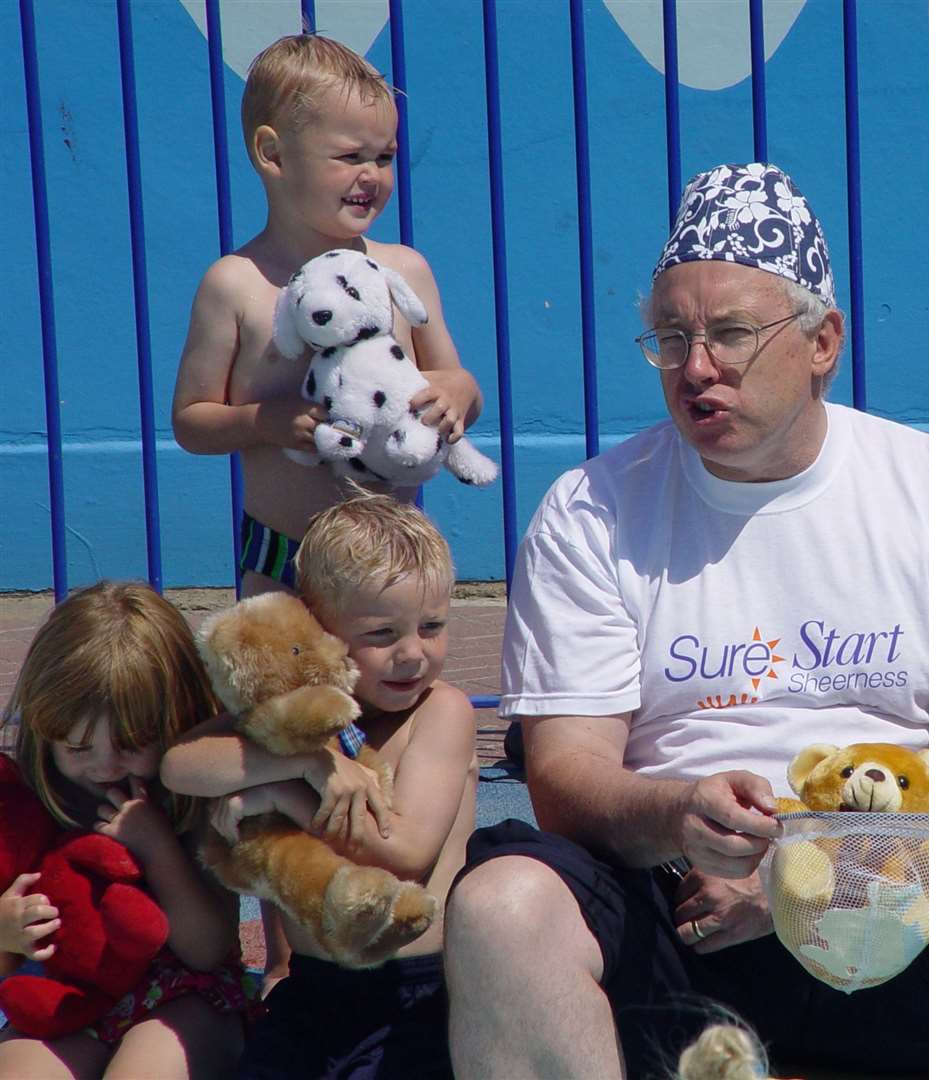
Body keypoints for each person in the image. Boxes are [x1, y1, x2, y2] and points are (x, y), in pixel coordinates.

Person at [445, 161, 929, 1080]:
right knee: (501, 905)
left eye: (730, 333)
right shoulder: (591, 510)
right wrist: (680, 814)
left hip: (890, 895)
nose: (696, 367)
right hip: (678, 909)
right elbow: (566, 779)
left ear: (822, 342)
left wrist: (809, 867)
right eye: (671, 336)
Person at [170, 31, 482, 992]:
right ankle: (294, 957)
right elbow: (191, 419)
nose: (372, 175)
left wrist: (457, 400)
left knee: (401, 727)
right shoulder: (239, 283)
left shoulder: (405, 272)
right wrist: (263, 418)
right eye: (350, 154)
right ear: (272, 154)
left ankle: (413, 922)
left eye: (384, 155)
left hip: (388, 565)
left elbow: (453, 376)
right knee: (288, 743)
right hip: (288, 568)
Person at [160, 492, 477, 1079]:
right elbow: (180, 764)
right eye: (383, 634)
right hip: (313, 991)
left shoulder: (442, 713)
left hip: (415, 996)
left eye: (432, 626)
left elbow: (407, 853)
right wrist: (304, 765)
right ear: (318, 626)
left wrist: (284, 797)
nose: (413, 654)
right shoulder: (302, 717)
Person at [0, 582, 252, 1079]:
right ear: (44, 732)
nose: (105, 766)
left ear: (178, 719)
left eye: (131, 744)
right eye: (77, 748)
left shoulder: (195, 801)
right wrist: (5, 931)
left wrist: (157, 847)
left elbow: (206, 951)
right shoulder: (25, 804)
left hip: (184, 999)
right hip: (66, 1000)